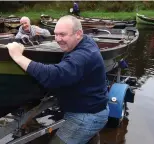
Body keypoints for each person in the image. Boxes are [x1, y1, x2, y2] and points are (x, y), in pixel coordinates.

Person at [7, 15, 109, 144]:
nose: (58, 39)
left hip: (85, 116)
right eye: (56, 34)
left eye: (62, 35)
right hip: (92, 109)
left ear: (78, 34)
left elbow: (54, 76)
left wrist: (17, 56)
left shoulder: (82, 56)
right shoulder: (84, 42)